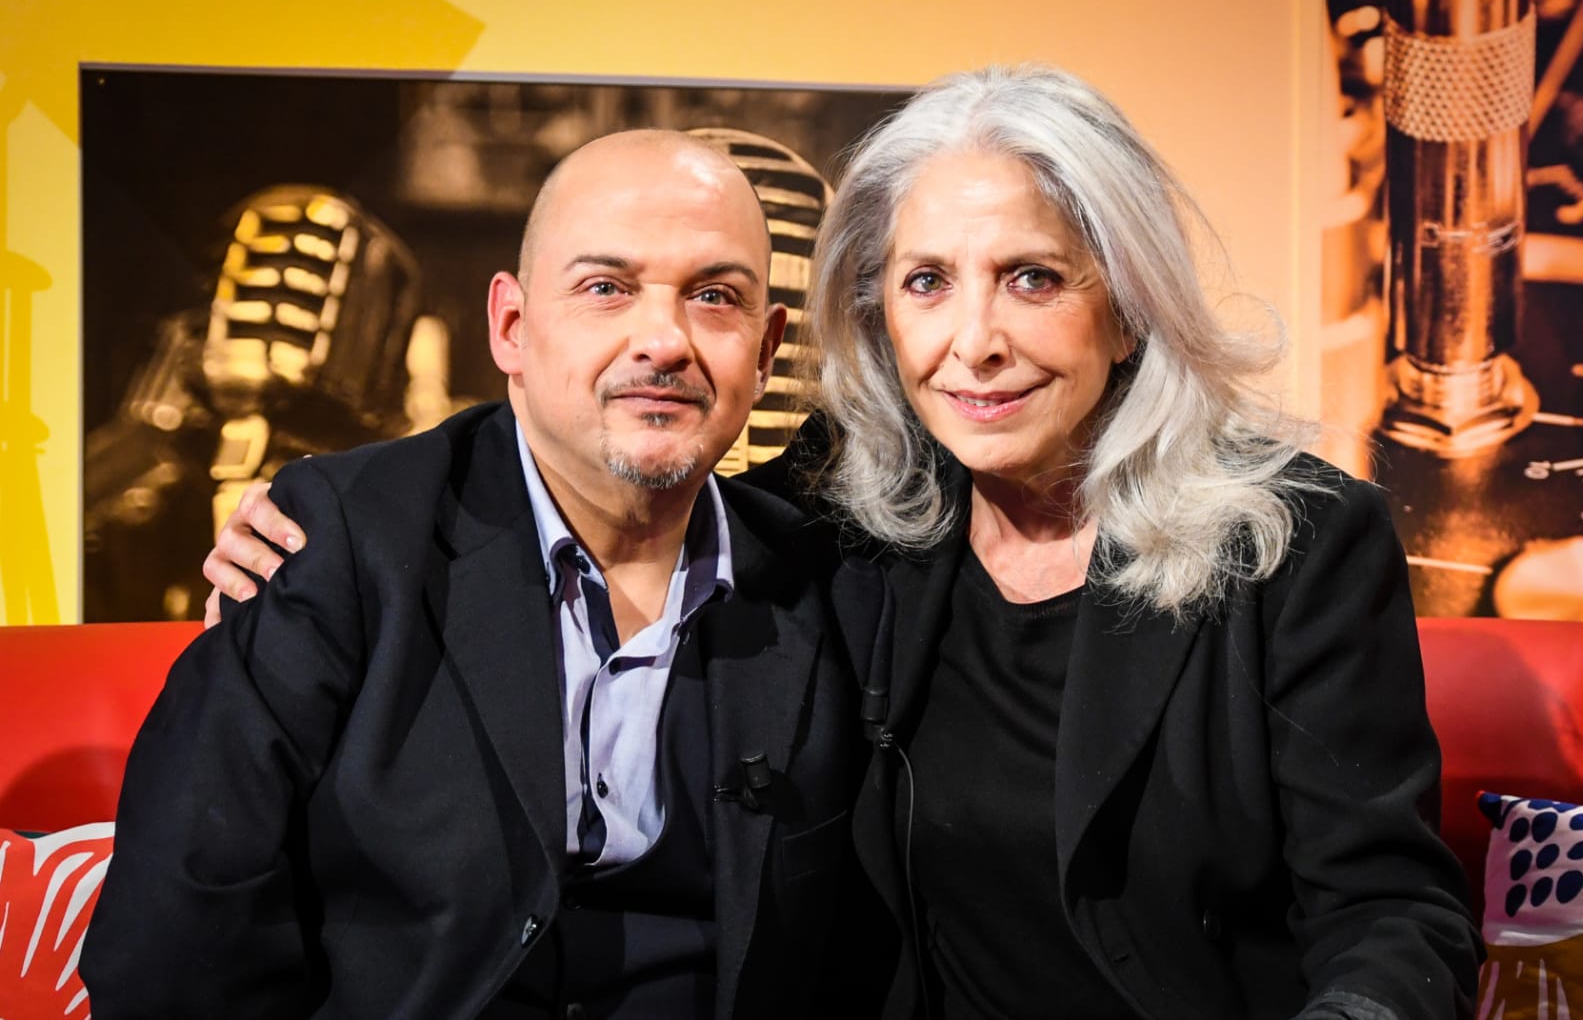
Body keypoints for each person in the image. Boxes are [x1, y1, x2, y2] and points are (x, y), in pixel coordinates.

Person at [204, 66, 1484, 1019]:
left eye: (1032, 277)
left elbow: (1388, 910)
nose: (972, 341)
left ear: (1129, 306)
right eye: (926, 282)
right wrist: (332, 526)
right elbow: (612, 442)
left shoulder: (1293, 540)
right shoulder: (859, 505)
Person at [83, 130, 889, 1020]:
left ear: (767, 349)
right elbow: (176, 934)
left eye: (714, 297)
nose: (663, 341)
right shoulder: (337, 539)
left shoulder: (833, 582)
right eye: (606, 288)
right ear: (511, 326)